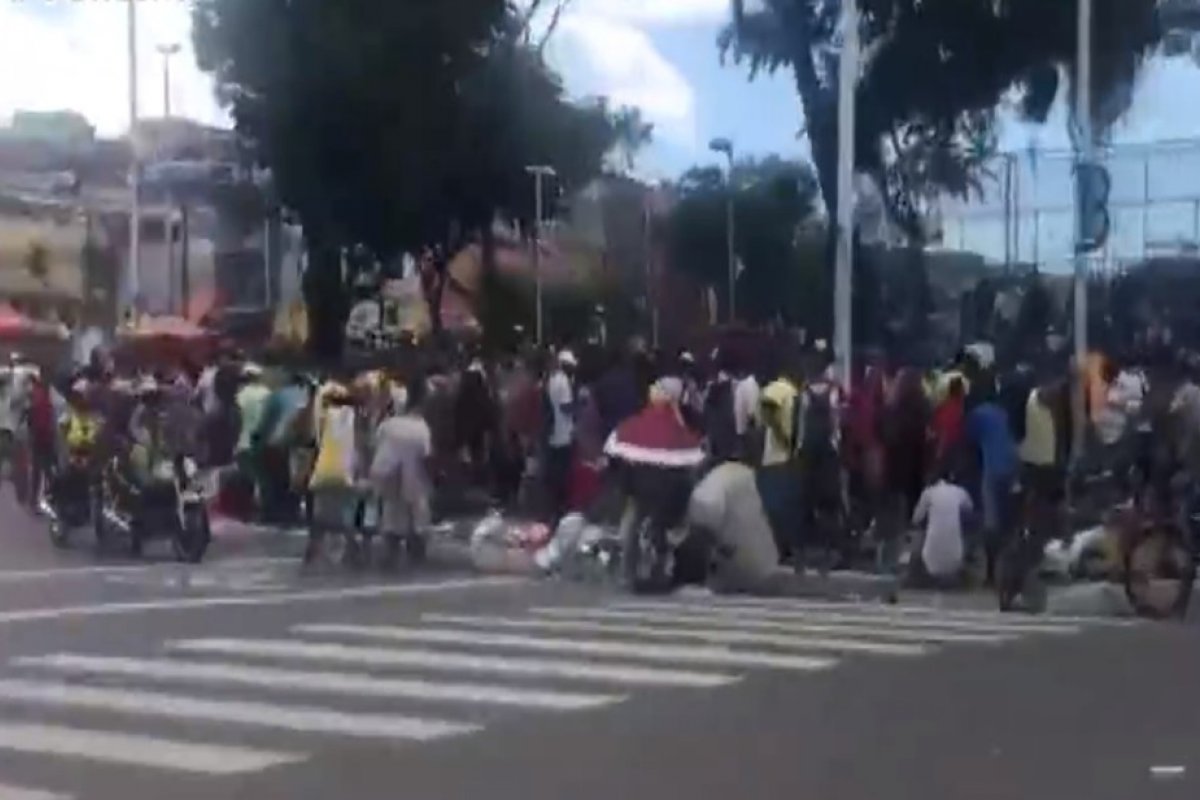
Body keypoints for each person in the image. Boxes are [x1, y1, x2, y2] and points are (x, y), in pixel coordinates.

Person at [371, 378, 433, 568]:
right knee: (419, 521)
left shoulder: (387, 426)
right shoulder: (422, 427)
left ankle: (390, 558)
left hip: (388, 479)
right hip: (415, 480)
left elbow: (375, 447)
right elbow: (427, 455)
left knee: (391, 520)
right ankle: (417, 558)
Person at [967, 390, 1019, 585]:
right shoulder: (1002, 412)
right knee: (1007, 522)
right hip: (1012, 467)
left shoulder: (977, 413)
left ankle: (990, 573)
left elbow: (970, 439)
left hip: (993, 470)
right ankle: (1007, 570)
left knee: (991, 523)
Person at [910, 469, 974, 588]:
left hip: (929, 559)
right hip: (956, 557)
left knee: (919, 532)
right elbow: (970, 510)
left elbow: (916, 518)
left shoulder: (929, 493)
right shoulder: (960, 492)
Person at [543, 349, 577, 522]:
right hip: (564, 432)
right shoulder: (563, 382)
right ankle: (561, 508)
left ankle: (553, 508)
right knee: (563, 473)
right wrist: (578, 406)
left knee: (555, 472)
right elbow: (565, 407)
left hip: (554, 433)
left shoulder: (551, 379)